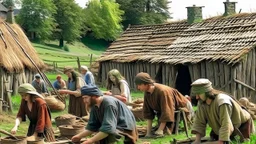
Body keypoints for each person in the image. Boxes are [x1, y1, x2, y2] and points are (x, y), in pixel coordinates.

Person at [191, 78, 254, 144]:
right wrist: (197, 141)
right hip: (223, 128)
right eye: (196, 94)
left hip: (242, 127)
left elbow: (226, 124)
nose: (197, 97)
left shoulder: (222, 102)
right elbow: (199, 121)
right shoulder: (202, 103)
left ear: (207, 92)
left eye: (199, 94)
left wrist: (220, 141)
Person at [71, 85, 138, 144]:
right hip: (114, 127)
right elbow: (92, 127)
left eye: (86, 98)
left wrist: (90, 141)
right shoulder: (94, 105)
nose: (84, 101)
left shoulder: (109, 104)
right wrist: (78, 136)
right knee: (99, 136)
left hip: (126, 129)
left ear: (94, 96)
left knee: (108, 136)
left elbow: (108, 129)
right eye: (83, 98)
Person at [134, 72, 189, 137]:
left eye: (139, 85)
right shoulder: (147, 93)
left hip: (182, 106)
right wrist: (148, 133)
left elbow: (167, 111)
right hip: (165, 111)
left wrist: (160, 130)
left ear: (146, 84)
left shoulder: (163, 92)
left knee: (165, 132)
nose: (138, 88)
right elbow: (148, 113)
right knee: (157, 131)